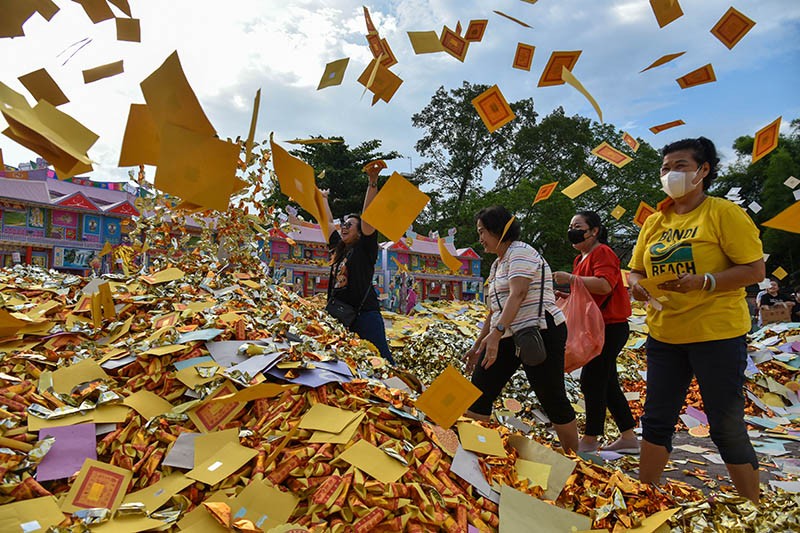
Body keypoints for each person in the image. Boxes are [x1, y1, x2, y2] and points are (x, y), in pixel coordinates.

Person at [628, 137, 764, 503]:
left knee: (724, 424)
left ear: (704, 170)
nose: (670, 173)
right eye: (665, 168)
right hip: (665, 335)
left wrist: (706, 281)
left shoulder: (723, 213)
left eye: (681, 166)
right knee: (656, 419)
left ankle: (753, 506)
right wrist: (639, 286)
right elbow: (635, 270)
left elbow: (754, 269)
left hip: (716, 333)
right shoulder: (655, 221)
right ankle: (646, 497)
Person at [463, 206, 579, 453]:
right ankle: (474, 452)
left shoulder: (521, 252)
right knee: (479, 390)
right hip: (506, 334)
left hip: (539, 331)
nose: (480, 237)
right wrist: (478, 344)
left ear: (498, 230)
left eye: (483, 231)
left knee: (551, 397)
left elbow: (519, 294)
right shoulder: (497, 264)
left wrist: (495, 334)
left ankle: (574, 457)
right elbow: (494, 310)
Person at [552, 211, 637, 454]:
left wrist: (571, 280)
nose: (573, 230)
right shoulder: (580, 260)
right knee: (607, 381)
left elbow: (604, 284)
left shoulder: (603, 253)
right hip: (595, 326)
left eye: (578, 226)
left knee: (592, 379)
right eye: (570, 225)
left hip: (611, 326)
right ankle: (628, 436)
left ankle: (591, 438)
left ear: (595, 230)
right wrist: (566, 294)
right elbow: (587, 295)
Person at [320, 162, 394, 364]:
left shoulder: (364, 249)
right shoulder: (339, 248)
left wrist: (372, 182)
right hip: (341, 316)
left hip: (365, 317)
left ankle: (404, 392)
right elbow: (327, 224)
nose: (343, 227)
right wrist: (324, 199)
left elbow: (369, 218)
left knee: (382, 361)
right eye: (343, 224)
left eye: (349, 225)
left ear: (361, 232)